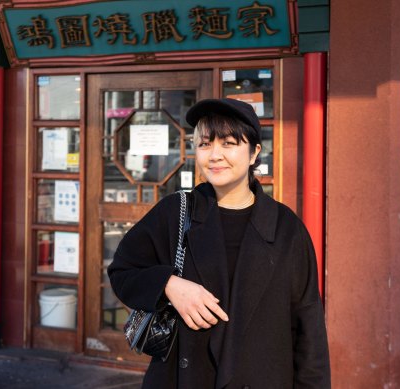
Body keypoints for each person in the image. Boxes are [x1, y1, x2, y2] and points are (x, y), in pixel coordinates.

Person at [108, 98, 331, 388]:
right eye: (204, 144)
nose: (214, 155)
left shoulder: (287, 228)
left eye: (228, 143)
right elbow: (122, 272)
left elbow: (309, 330)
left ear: (254, 153)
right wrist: (169, 285)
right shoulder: (175, 212)